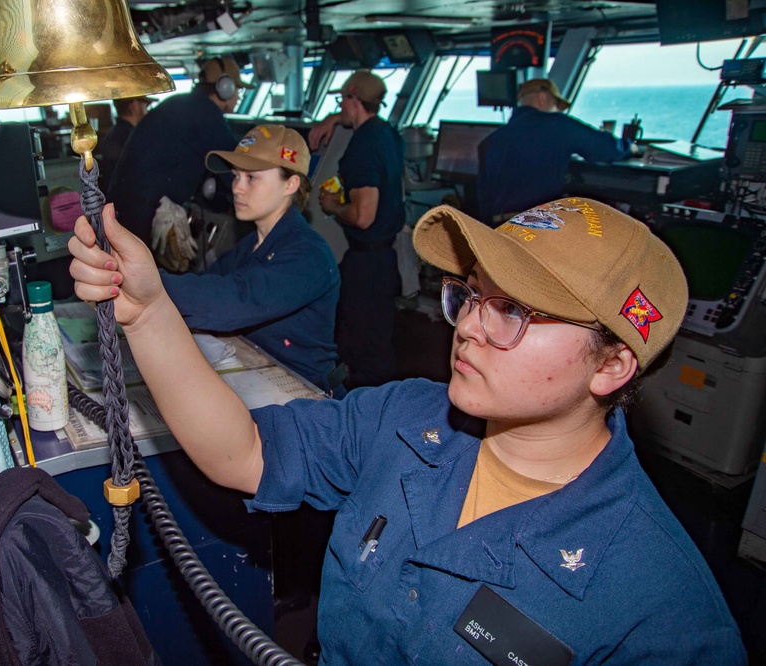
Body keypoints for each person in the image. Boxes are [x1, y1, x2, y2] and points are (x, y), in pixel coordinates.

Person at [68, 196, 746, 663]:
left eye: (513, 310)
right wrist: (150, 311)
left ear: (612, 366)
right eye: (474, 294)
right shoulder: (405, 418)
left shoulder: (660, 609)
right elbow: (242, 451)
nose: (469, 326)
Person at [160, 124, 341, 394]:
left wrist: (148, 283)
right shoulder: (251, 245)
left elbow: (235, 301)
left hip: (302, 392)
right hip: (257, 370)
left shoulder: (309, 255)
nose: (237, 188)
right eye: (235, 176)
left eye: (251, 178)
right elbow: (208, 283)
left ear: (290, 184)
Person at [315, 70, 406, 388]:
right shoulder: (388, 134)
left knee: (360, 348)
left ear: (353, 99)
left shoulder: (363, 147)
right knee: (378, 338)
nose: (340, 105)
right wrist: (333, 119)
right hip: (384, 261)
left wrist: (331, 206)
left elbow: (363, 216)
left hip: (365, 264)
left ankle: (358, 411)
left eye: (342, 99)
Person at [107, 56, 252, 247]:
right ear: (225, 88)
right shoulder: (206, 114)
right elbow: (235, 167)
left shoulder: (183, 103)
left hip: (127, 207)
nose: (239, 95)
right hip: (142, 213)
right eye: (238, 89)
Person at [478, 78, 638, 226]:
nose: (559, 112)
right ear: (542, 97)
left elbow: (483, 199)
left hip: (496, 228)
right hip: (536, 224)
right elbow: (605, 149)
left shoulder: (490, 141)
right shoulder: (558, 125)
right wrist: (629, 147)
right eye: (556, 105)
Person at [99, 95, 152, 193]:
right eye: (146, 106)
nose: (147, 112)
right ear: (135, 105)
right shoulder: (133, 138)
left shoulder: (114, 134)